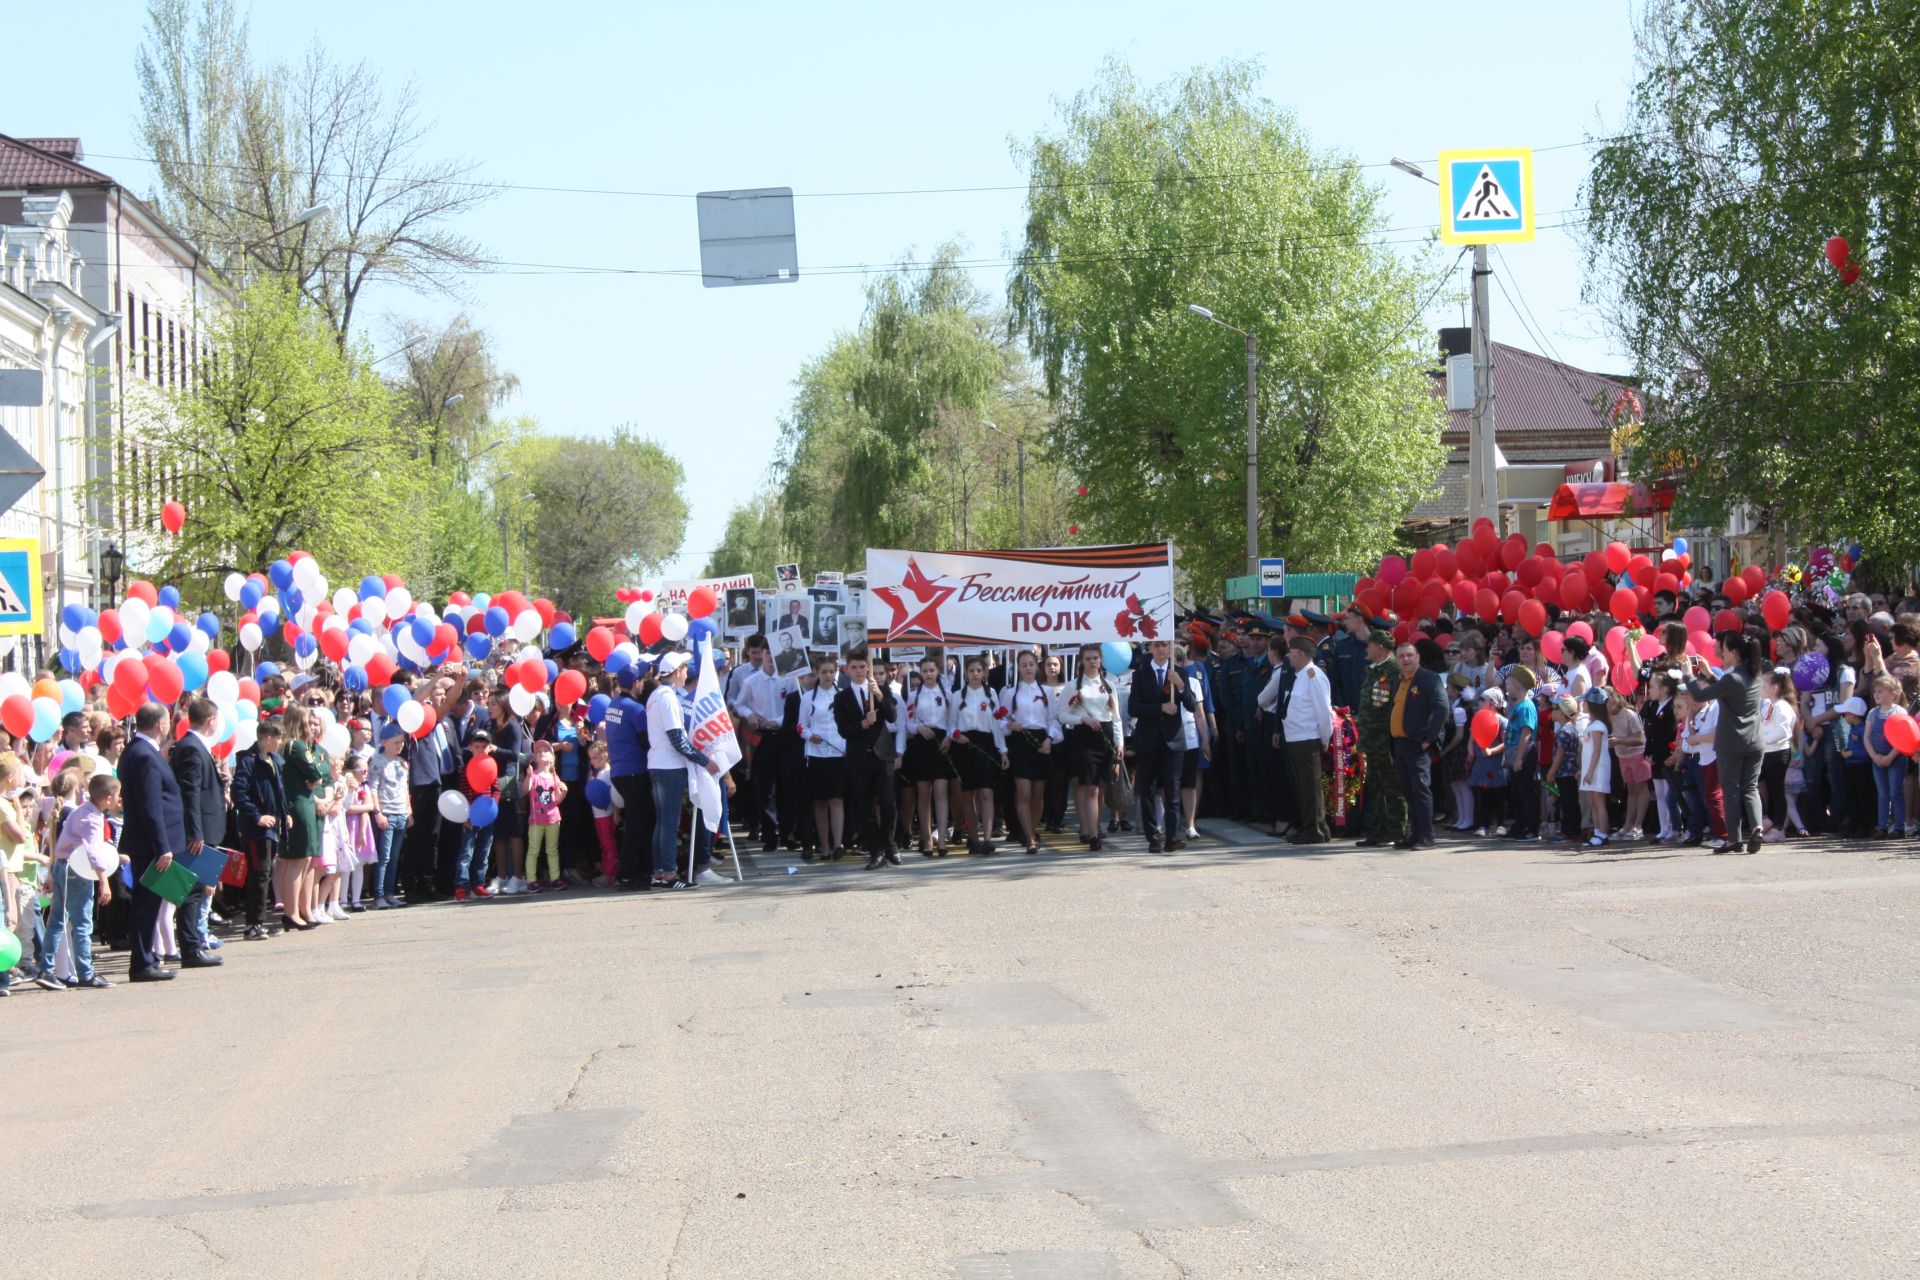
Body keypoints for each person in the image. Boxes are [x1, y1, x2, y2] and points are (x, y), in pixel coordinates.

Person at [118, 703, 188, 981]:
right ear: (160, 725)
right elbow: (150, 805)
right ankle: (143, 962)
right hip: (151, 844)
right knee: (146, 904)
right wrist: (162, 846)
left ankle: (147, 958)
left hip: (148, 841)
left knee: (150, 904)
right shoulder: (144, 754)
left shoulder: (139, 750)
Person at [1685, 629, 1765, 854]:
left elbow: (1701, 696)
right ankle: (1757, 827)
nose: (1722, 651)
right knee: (1750, 787)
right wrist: (1709, 674)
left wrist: (1688, 676)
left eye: (1726, 648)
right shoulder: (1755, 675)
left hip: (1732, 741)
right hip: (1755, 740)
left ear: (1735, 652)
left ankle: (1734, 839)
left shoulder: (1732, 677)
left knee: (1731, 790)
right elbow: (1725, 690)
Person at [46, 774, 120, 989]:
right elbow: (94, 851)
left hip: (63, 866)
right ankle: (85, 973)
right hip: (75, 870)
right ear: (108, 798)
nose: (118, 799)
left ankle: (46, 968)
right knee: (82, 923)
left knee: (58, 920)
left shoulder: (81, 810)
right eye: (117, 795)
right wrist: (103, 880)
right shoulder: (92, 818)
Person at [168, 696, 225, 966]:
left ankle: (194, 943)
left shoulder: (195, 746)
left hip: (203, 827)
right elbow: (189, 793)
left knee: (200, 888)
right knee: (192, 890)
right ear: (210, 720)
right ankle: (191, 948)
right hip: (196, 831)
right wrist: (195, 832)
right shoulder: (191, 747)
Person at [1265, 636, 1333, 844]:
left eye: (1292, 654)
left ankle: (1314, 831)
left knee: (1310, 788)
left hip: (1308, 738)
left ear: (1301, 655)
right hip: (1295, 738)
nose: (1289, 658)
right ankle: (1314, 827)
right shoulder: (1299, 675)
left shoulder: (1314, 676)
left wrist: (1325, 738)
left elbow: (1324, 711)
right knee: (1303, 787)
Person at [835, 649, 899, 869]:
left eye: (863, 667)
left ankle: (889, 842)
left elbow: (892, 716)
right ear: (847, 670)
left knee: (888, 802)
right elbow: (844, 730)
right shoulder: (841, 697)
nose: (859, 671)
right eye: (854, 667)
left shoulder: (881, 690)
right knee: (863, 806)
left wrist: (880, 697)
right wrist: (862, 723)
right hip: (859, 757)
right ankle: (876, 848)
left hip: (882, 754)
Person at [1130, 639, 1195, 854]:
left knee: (1172, 790)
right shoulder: (1140, 674)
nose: (1161, 650)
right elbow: (1134, 708)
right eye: (1156, 646)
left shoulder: (1178, 673)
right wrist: (1160, 708)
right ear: (1150, 649)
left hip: (1173, 740)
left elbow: (1191, 704)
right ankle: (1153, 837)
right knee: (1147, 789)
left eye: (1165, 645)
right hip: (1148, 741)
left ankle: (1173, 836)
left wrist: (1181, 685)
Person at [1058, 643, 1123, 851]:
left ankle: (1094, 828)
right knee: (1090, 788)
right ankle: (1093, 834)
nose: (1092, 662)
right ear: (1081, 661)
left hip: (1104, 736)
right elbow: (1062, 714)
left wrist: (1119, 743)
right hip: (1084, 737)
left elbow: (1116, 718)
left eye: (1095, 658)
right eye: (1088, 658)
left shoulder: (1109, 685)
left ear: (1100, 660)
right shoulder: (1073, 685)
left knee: (1102, 787)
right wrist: (1082, 719)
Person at [230, 717, 290, 936]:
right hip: (257, 828)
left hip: (273, 825)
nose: (280, 742)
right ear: (267, 738)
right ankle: (253, 923)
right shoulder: (249, 760)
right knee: (259, 872)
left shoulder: (274, 760)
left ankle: (258, 921)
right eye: (278, 737)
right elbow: (239, 793)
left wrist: (285, 814)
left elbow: (278, 791)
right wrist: (257, 817)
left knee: (266, 871)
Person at [1387, 642, 1448, 850]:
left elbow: (1441, 708)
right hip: (1399, 743)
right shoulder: (1398, 680)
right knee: (1407, 790)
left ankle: (1426, 835)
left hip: (1417, 743)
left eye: (1409, 655)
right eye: (1401, 656)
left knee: (1421, 789)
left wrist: (1429, 738)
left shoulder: (1428, 678)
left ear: (1418, 657)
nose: (1405, 659)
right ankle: (1415, 833)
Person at [950, 655, 1010, 855]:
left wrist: (1002, 750)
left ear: (984, 672)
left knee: (986, 792)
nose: (975, 674)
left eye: (979, 670)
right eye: (971, 671)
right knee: (968, 795)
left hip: (985, 743)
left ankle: (988, 838)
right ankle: (973, 838)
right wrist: (956, 736)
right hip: (965, 745)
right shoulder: (958, 695)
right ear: (966, 673)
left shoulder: (991, 693)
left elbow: (996, 724)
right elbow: (951, 724)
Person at [602, 670, 656, 888]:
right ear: (636, 683)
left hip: (620, 771)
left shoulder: (613, 705)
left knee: (640, 822)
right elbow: (647, 742)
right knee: (637, 825)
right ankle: (628, 874)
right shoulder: (636, 709)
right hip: (635, 771)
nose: (643, 685)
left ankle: (641, 870)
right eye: (642, 681)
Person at [1353, 630, 1406, 849]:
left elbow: (1390, 707)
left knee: (1392, 788)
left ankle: (1398, 832)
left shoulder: (1393, 671)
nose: (1367, 649)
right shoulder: (1375, 670)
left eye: (1370, 645)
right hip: (1370, 739)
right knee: (1375, 787)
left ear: (1380, 647)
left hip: (1385, 740)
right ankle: (1379, 832)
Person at [902, 656, 956, 855]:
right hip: (921, 743)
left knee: (941, 792)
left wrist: (949, 738)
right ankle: (926, 840)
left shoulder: (948, 694)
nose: (928, 674)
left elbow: (953, 721)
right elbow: (908, 723)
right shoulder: (914, 695)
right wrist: (918, 727)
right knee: (923, 794)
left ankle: (941, 839)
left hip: (941, 742)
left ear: (937, 671)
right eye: (924, 671)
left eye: (931, 670)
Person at [797, 652, 847, 861]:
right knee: (820, 802)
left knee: (837, 799)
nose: (828, 676)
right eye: (824, 672)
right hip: (816, 754)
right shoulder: (808, 698)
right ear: (816, 674)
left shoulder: (843, 694)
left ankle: (837, 844)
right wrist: (810, 735)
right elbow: (800, 727)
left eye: (831, 672)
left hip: (838, 753)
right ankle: (824, 846)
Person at [1863, 674, 1910, 839]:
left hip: (1895, 758)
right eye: (1875, 691)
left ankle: (1899, 827)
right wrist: (1874, 756)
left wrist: (1890, 756)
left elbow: (1903, 737)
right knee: (1882, 793)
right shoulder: (1872, 713)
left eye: (1881, 691)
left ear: (1893, 693)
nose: (1876, 694)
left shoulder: (1899, 712)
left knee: (1896, 791)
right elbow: (1867, 737)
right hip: (1877, 758)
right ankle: (1882, 826)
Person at [523, 741, 568, 889]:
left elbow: (557, 800)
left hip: (553, 819)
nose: (542, 752)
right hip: (536, 820)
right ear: (535, 758)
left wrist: (564, 791)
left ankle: (555, 878)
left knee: (552, 850)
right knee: (533, 850)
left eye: (546, 751)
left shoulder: (554, 777)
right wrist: (528, 776)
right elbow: (525, 790)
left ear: (552, 758)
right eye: (539, 751)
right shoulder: (534, 776)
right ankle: (531, 880)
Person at [1759, 668, 1798, 842]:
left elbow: (1782, 732)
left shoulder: (1782, 706)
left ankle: (1779, 827)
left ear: (1774, 688)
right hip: (1766, 752)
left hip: (1778, 752)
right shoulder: (1769, 705)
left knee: (1777, 790)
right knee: (1760, 785)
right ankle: (1768, 819)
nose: (1761, 688)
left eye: (1764, 685)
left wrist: (1761, 739)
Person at [1502, 668, 1540, 842]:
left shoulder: (1526, 706)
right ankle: (1520, 825)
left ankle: (1532, 829)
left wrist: (1518, 758)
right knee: (1516, 792)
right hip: (1514, 751)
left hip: (1523, 752)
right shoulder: (1517, 705)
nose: (1506, 687)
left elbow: (1526, 733)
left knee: (1526, 792)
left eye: (1509, 683)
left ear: (1517, 685)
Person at [1609, 687, 1651, 841]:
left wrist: (1619, 741)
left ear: (1613, 700)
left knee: (1641, 788)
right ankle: (1627, 825)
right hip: (1622, 755)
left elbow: (1641, 739)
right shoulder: (1609, 715)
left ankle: (1638, 826)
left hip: (1637, 754)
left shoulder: (1628, 714)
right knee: (1631, 790)